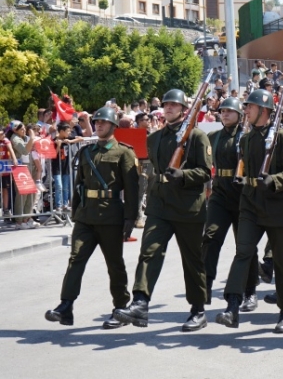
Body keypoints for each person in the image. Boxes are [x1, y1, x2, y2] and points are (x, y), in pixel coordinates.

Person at [115, 89, 212, 332]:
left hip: (188, 206)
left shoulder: (197, 137)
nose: (168, 108)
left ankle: (198, 310)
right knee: (149, 252)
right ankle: (140, 302)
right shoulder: (154, 139)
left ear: (183, 109)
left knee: (192, 260)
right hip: (160, 204)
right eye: (166, 105)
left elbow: (205, 171)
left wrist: (184, 175)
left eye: (173, 105)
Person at [44, 107, 139, 328]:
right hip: (86, 217)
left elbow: (133, 190)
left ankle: (121, 308)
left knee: (115, 265)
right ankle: (65, 306)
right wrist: (76, 213)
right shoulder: (86, 152)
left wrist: (130, 219)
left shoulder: (124, 153)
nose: (98, 125)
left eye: (103, 122)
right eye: (96, 122)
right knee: (75, 259)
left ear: (114, 126)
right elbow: (79, 185)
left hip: (111, 217)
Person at [215, 89, 283, 334]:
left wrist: (273, 180)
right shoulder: (247, 138)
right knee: (243, 252)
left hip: (277, 204)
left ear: (263, 111)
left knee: (282, 262)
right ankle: (232, 306)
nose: (246, 111)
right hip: (250, 203)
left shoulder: (282, 138)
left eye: (250, 107)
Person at [203, 97, 260, 308]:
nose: (224, 114)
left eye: (229, 111)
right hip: (220, 193)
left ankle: (250, 290)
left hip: (243, 194)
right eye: (222, 111)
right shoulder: (213, 137)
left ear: (239, 114)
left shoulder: (246, 136)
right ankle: (205, 286)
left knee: (245, 245)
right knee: (210, 237)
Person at [7, 121, 40, 229]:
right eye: (22, 129)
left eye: (25, 129)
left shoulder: (24, 137)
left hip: (28, 168)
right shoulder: (15, 139)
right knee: (22, 195)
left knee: (31, 193)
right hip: (20, 169)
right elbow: (24, 151)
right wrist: (31, 139)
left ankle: (27, 218)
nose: (24, 131)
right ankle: (19, 221)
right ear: (15, 130)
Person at [51, 123, 73, 212]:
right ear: (61, 131)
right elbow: (53, 155)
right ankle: (58, 205)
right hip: (57, 167)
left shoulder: (67, 139)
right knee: (59, 186)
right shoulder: (55, 141)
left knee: (66, 186)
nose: (69, 133)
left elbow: (78, 139)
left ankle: (65, 204)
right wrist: (59, 145)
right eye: (67, 131)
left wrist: (72, 141)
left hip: (65, 167)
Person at [0, 129, 18, 217]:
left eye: (3, 134)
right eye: (0, 134)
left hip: (4, 168)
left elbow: (11, 149)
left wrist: (14, 159)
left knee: (5, 189)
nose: (2, 136)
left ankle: (6, 209)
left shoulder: (6, 141)